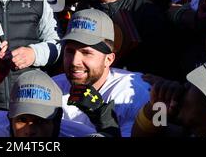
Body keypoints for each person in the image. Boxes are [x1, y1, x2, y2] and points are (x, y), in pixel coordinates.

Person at [53, 9, 150, 137]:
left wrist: (106, 121)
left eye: (86, 53)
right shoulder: (52, 87)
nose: (75, 62)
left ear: (108, 59)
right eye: (70, 51)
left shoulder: (134, 93)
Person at [132, 48, 206, 137]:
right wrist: (157, 110)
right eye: (195, 82)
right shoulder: (200, 127)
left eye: (205, 92)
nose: (185, 88)